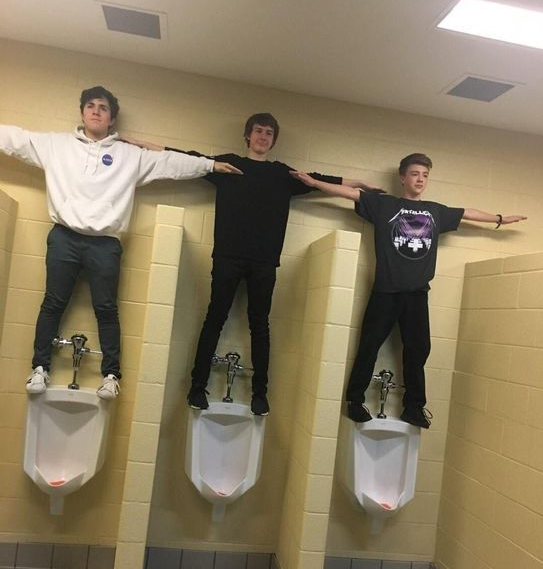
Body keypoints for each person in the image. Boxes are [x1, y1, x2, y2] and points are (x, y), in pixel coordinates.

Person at [126, 112, 383, 415]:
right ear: (247, 136)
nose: (263, 136)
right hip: (227, 257)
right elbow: (183, 157)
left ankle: (260, 393)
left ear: (273, 140)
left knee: (259, 326)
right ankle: (197, 386)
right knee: (215, 319)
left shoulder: (281, 174)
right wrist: (137, 143)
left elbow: (319, 181)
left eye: (269, 133)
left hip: (264, 263)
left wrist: (360, 185)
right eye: (258, 131)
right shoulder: (228, 165)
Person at [0, 86, 240, 400]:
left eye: (103, 107)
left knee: (107, 309)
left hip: (106, 243)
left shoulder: (129, 156)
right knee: (52, 304)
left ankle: (111, 375)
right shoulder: (54, 145)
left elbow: (169, 163)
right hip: (64, 237)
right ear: (83, 112)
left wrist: (209, 165)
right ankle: (40, 368)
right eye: (90, 105)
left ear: (112, 118)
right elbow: (16, 139)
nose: (96, 111)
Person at [291, 153, 526, 427]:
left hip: (417, 294)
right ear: (403, 177)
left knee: (418, 349)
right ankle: (355, 400)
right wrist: (315, 182)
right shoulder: (385, 205)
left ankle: (414, 407)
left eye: (425, 175)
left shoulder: (434, 211)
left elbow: (466, 212)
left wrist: (499, 218)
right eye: (415, 174)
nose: (420, 180)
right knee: (369, 345)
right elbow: (351, 194)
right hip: (386, 291)